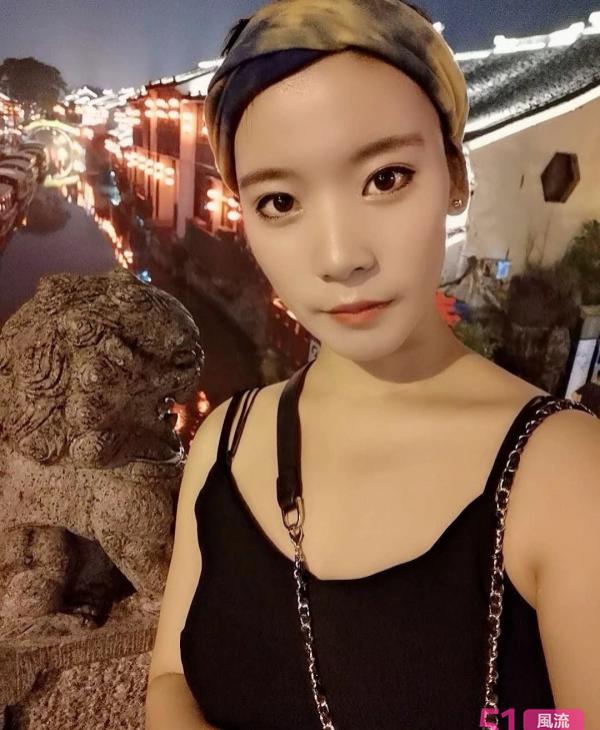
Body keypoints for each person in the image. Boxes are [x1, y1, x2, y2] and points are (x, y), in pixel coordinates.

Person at [145, 1, 600, 728]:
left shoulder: (567, 473)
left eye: (386, 178)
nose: (340, 257)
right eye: (280, 200)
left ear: (456, 176)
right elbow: (172, 678)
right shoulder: (225, 442)